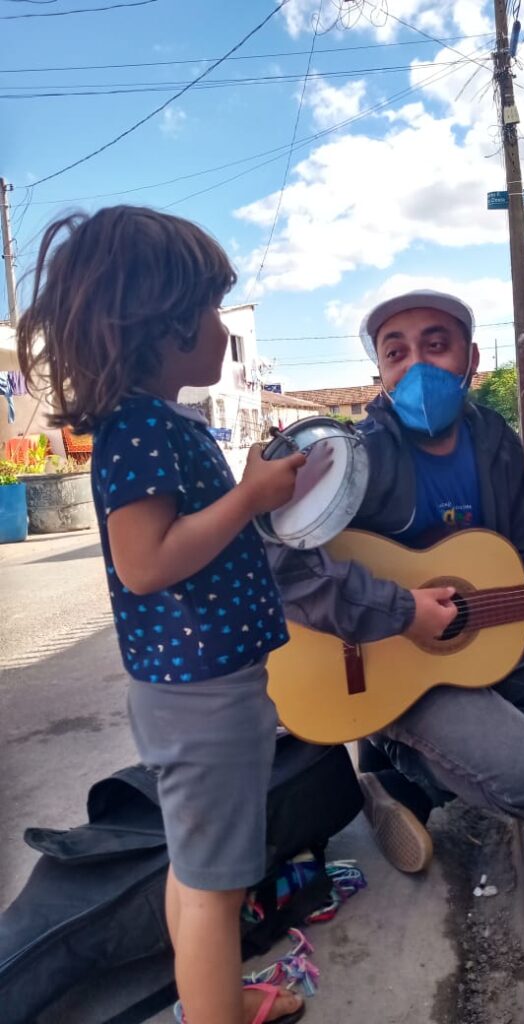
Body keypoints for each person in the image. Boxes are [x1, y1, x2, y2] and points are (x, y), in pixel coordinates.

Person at [16, 206, 312, 1024]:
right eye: (215, 307)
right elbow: (146, 562)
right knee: (218, 888)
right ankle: (214, 1008)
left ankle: (211, 994)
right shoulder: (141, 427)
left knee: (199, 867)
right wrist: (250, 495)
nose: (224, 325)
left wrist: (255, 496)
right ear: (165, 320)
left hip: (204, 689)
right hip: (202, 697)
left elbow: (196, 538)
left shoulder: (160, 423)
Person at [269, 289, 524, 875]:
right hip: (377, 659)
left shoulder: (496, 443)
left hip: (464, 649)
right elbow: (281, 564)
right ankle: (404, 771)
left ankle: (393, 752)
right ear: (379, 369)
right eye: (396, 352)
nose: (417, 365)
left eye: (436, 344)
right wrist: (400, 610)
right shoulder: (353, 458)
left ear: (471, 358)